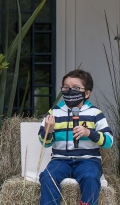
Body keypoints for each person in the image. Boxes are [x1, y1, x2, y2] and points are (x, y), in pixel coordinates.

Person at [38, 69, 113, 205]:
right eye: (66, 88)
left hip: (88, 161)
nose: (70, 91)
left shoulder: (95, 113)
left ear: (87, 93)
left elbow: (108, 142)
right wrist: (48, 131)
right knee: (47, 177)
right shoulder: (54, 112)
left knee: (90, 177)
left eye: (76, 88)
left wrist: (89, 133)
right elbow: (45, 143)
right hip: (60, 161)